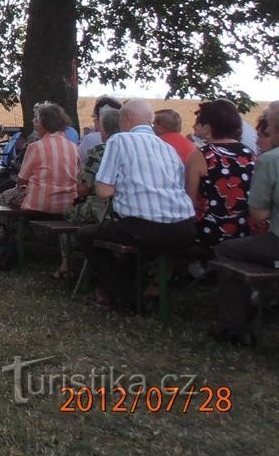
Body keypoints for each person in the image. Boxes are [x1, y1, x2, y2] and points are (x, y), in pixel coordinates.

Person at [75, 99, 196, 310]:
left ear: (126, 118)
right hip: (183, 228)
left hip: (142, 227)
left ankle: (129, 295)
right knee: (124, 235)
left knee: (87, 235)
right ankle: (145, 287)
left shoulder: (119, 141)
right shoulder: (168, 148)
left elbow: (104, 191)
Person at [211, 101, 279, 345]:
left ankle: (237, 326)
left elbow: (259, 215)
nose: (267, 134)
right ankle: (278, 301)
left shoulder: (272, 159)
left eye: (270, 129)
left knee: (227, 250)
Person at [57, 105, 121, 278]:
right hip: (128, 213)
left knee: (69, 214)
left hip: (103, 210)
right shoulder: (134, 151)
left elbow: (84, 189)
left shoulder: (99, 151)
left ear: (104, 128)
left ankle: (66, 263)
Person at [189, 100, 258, 247]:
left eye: (198, 121)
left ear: (208, 127)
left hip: (209, 230)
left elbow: (190, 198)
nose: (193, 125)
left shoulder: (201, 155)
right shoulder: (250, 154)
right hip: (243, 230)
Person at [2, 102, 78, 217]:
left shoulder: (35, 147)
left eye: (36, 119)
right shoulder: (73, 147)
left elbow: (21, 179)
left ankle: (17, 230)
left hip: (40, 204)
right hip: (68, 203)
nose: (33, 122)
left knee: (6, 195)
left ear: (45, 123)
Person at [78, 96, 122, 163]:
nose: (94, 120)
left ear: (102, 119)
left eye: (95, 116)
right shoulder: (127, 138)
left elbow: (77, 161)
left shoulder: (90, 139)